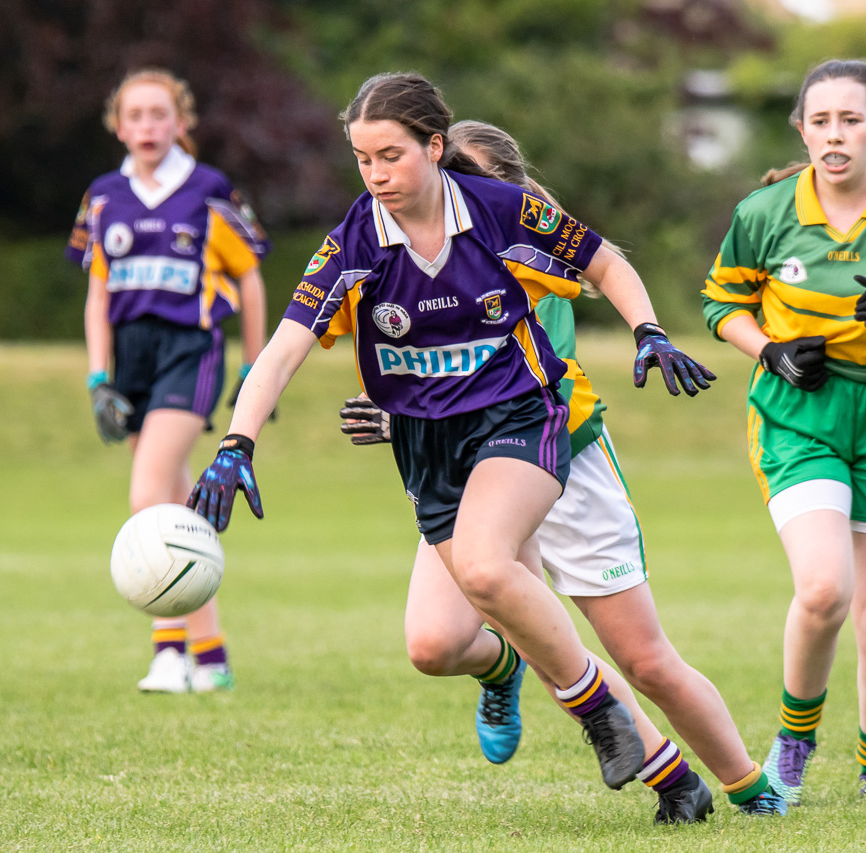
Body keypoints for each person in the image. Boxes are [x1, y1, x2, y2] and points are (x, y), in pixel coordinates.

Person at [189, 72, 714, 794]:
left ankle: (601, 715)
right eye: (363, 159)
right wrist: (235, 443)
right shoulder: (353, 242)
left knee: (486, 564)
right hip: (428, 447)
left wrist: (648, 331)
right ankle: (658, 769)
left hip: (522, 416)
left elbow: (602, 259)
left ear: (434, 147)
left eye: (391, 156)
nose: (375, 175)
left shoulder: (502, 210)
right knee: (433, 645)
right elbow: (283, 348)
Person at [337, 119, 787, 824]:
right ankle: (512, 670)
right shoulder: (415, 246)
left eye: (467, 175)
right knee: (436, 643)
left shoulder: (525, 258)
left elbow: (516, 382)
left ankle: (748, 785)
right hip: (468, 467)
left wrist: (650, 333)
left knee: (642, 659)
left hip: (556, 457)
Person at [701, 59, 866, 807]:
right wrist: (770, 351)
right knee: (824, 589)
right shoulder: (767, 210)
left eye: (851, 120)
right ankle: (794, 738)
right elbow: (720, 300)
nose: (834, 134)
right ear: (802, 129)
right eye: (820, 120)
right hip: (802, 417)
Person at [65, 68, 271, 694]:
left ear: (181, 123)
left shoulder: (209, 191)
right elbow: (98, 293)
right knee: (181, 503)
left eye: (160, 114)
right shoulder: (103, 196)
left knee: (147, 492)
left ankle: (168, 651)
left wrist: (254, 367)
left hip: (191, 349)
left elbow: (250, 279)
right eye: (135, 115)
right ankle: (211, 656)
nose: (148, 126)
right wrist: (99, 377)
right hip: (130, 358)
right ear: (118, 125)